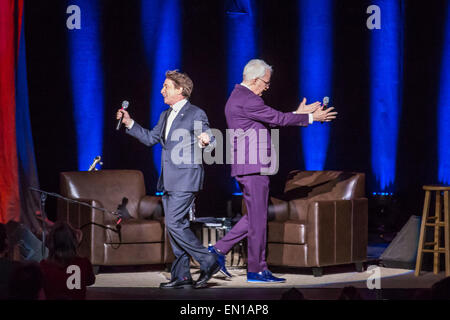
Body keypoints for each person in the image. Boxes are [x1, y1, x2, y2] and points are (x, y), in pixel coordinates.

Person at [209, 59, 337, 283]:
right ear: (255, 79)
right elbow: (277, 118)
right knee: (258, 220)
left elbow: (272, 119)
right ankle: (255, 269)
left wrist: (297, 113)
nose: (267, 87)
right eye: (266, 83)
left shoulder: (240, 98)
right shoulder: (247, 99)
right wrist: (310, 117)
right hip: (253, 167)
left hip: (249, 166)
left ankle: (218, 251)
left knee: (255, 217)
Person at [116, 70, 220, 289]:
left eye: (166, 86)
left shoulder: (195, 113)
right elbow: (151, 138)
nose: (162, 90)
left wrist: (206, 140)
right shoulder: (165, 115)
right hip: (169, 179)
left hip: (186, 177)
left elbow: (208, 136)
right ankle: (182, 276)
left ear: (180, 90)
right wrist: (129, 122)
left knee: (173, 223)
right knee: (177, 225)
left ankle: (209, 260)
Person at [39, 221, 95, 300]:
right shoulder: (84, 262)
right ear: (73, 241)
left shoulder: (44, 265)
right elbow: (90, 281)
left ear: (51, 242)